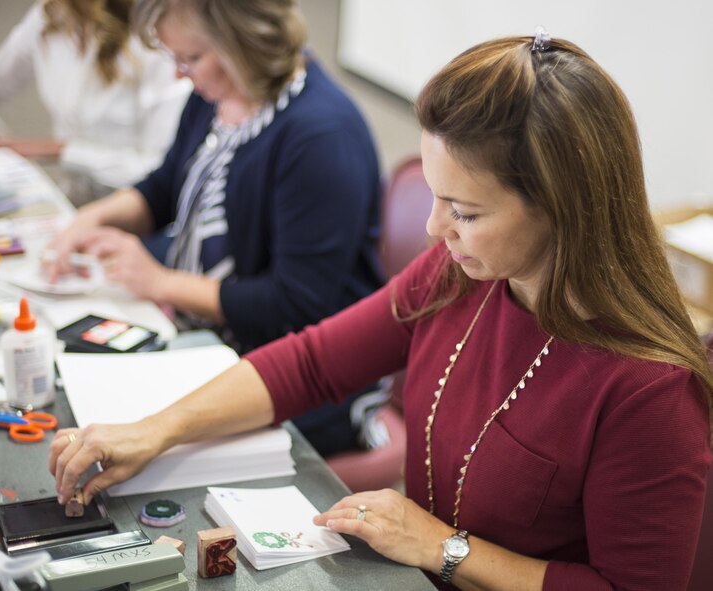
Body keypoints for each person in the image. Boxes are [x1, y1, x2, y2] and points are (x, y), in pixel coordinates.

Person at [49, 29, 713, 589]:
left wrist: (443, 547)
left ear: (560, 208)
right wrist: (155, 429)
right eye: (433, 195)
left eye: (464, 210)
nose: (432, 229)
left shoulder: (649, 389)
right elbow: (310, 363)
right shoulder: (463, 273)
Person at [43, 0, 385, 456]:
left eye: (190, 58)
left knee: (135, 440)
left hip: (304, 369)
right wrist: (91, 218)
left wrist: (161, 282)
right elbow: (166, 188)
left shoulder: (321, 138)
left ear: (242, 44)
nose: (179, 74)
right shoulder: (217, 99)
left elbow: (294, 303)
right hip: (215, 334)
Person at [0, 0, 191, 203]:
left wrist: (59, 150)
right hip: (75, 199)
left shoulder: (155, 42)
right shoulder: (53, 15)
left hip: (139, 212)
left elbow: (159, 170)